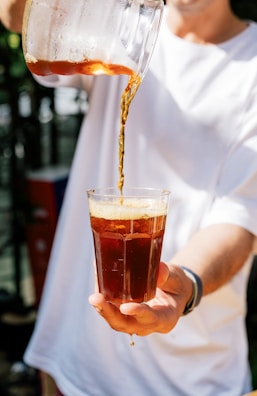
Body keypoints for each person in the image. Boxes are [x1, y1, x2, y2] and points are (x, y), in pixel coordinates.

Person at [2, 0, 257, 395]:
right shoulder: (121, 28)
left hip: (191, 380)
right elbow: (19, 16)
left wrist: (182, 285)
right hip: (74, 360)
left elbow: (241, 216)